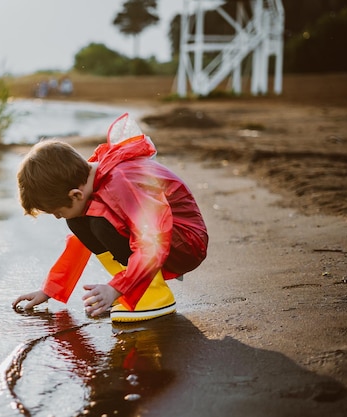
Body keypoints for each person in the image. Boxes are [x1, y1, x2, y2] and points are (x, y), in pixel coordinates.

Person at [12, 113, 208, 322]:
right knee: (78, 221)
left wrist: (117, 288)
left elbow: (154, 241)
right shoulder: (93, 182)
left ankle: (151, 294)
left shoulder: (121, 183)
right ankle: (135, 288)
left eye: (57, 212)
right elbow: (79, 243)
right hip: (158, 242)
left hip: (185, 242)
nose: (58, 218)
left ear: (75, 194)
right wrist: (49, 290)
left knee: (99, 222)